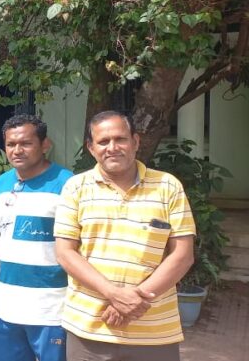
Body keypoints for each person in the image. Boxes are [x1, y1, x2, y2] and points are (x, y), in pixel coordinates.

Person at [54, 111, 195, 361]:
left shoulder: (168, 186)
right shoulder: (75, 188)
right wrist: (114, 294)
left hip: (155, 332)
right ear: (91, 148)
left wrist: (131, 301)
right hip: (89, 330)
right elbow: (65, 254)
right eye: (103, 141)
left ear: (135, 142)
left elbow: (182, 256)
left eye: (120, 139)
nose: (112, 147)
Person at [0, 114, 73, 361]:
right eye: (11, 144)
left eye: (26, 143)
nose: (17, 150)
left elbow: (78, 247)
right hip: (7, 306)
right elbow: (1, 241)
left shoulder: (67, 184)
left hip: (52, 308)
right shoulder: (1, 183)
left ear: (45, 144)